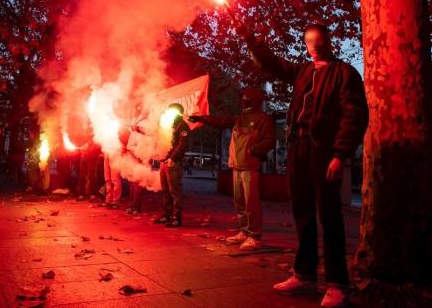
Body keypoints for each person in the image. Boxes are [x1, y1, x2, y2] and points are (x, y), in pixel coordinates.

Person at [241, 23, 368, 308]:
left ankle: (337, 284)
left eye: (318, 40)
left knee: (330, 215)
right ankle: (305, 274)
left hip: (324, 151)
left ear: (328, 41)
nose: (313, 46)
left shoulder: (344, 73)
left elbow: (354, 115)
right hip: (298, 147)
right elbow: (271, 64)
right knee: (303, 214)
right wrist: (250, 38)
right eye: (309, 41)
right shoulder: (302, 71)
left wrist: (339, 154)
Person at [189, 87, 276, 251]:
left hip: (250, 167)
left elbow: (269, 140)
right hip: (236, 166)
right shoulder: (240, 118)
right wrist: (202, 119)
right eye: (242, 98)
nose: (243, 101)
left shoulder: (263, 119)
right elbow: (221, 121)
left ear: (254, 101)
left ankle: (255, 236)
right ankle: (244, 232)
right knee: (240, 203)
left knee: (251, 203)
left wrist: (252, 150)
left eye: (246, 99)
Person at [155, 103, 190, 228]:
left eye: (171, 110)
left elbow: (182, 145)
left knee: (174, 191)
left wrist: (173, 158)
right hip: (165, 161)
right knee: (165, 190)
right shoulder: (171, 125)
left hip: (174, 163)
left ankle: (177, 218)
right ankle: (167, 214)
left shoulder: (183, 126)